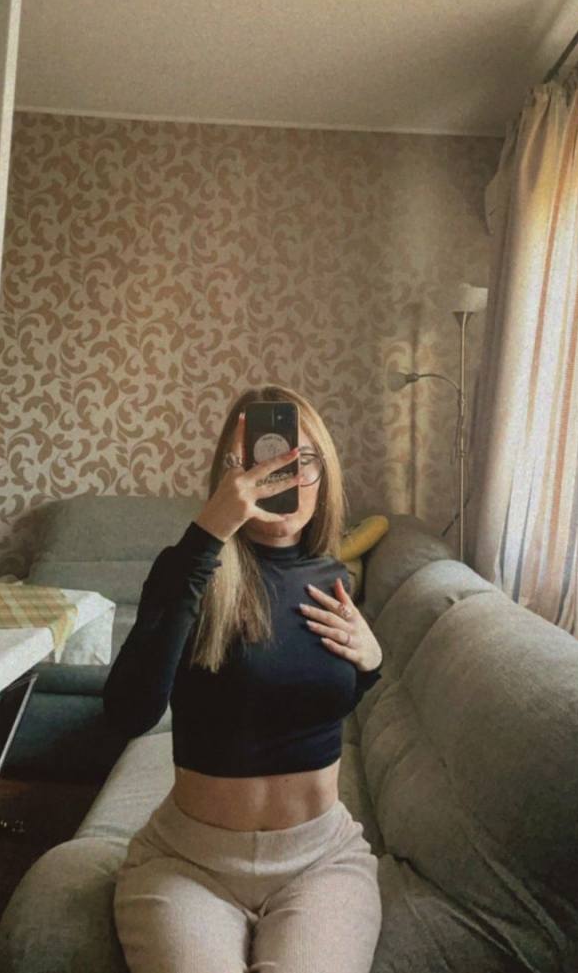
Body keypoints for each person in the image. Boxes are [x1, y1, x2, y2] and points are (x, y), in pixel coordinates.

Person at [103, 384, 383, 973]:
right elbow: (129, 711)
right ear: (229, 473)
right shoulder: (187, 569)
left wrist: (370, 662)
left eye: (301, 460)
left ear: (324, 473)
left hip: (321, 861)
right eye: (260, 460)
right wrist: (208, 533)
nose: (283, 476)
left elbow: (312, 698)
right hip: (189, 862)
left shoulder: (332, 577)